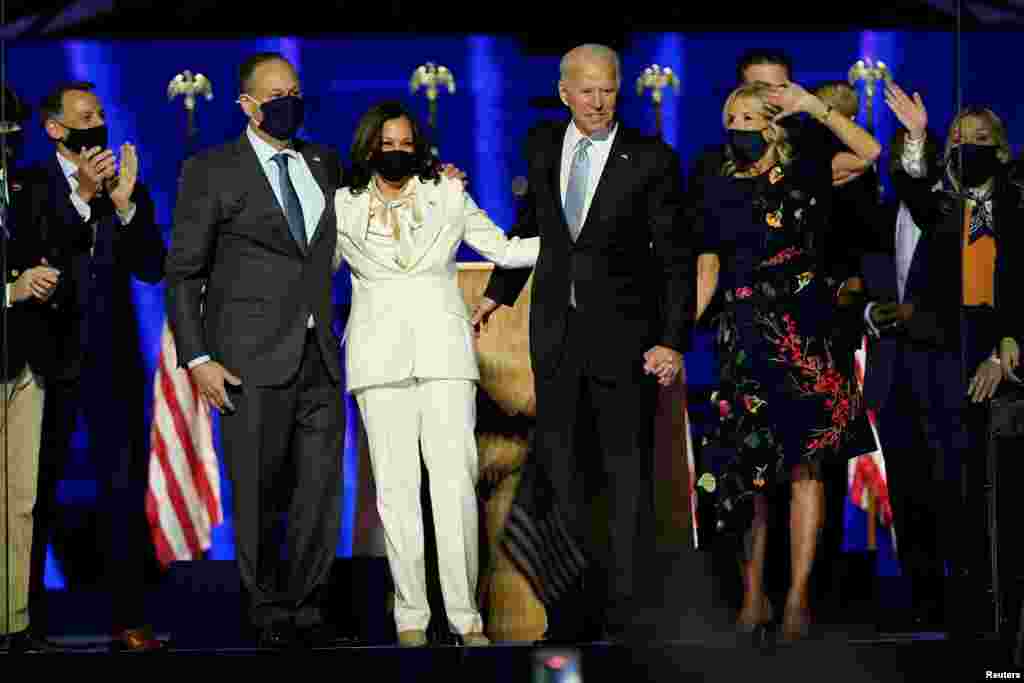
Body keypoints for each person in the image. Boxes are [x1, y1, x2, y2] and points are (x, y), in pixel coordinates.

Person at [472, 44, 693, 641]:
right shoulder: (544, 146)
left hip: (627, 347)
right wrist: (497, 293)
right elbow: (529, 226)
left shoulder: (652, 158)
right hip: (558, 342)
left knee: (622, 484)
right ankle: (569, 615)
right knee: (562, 480)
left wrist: (672, 341)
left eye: (608, 90)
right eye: (586, 90)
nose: (598, 102)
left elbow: (676, 260)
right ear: (564, 91)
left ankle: (625, 616)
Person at [334, 101, 538, 647]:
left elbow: (505, 249)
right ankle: (410, 619)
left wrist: (577, 244)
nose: (396, 151)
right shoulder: (342, 204)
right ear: (367, 146)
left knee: (453, 487)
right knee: (396, 495)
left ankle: (465, 617)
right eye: (386, 143)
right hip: (378, 363)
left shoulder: (447, 193)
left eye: (405, 143)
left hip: (445, 358)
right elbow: (307, 273)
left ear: (419, 147)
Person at [166, 53, 347, 649]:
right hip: (248, 360)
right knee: (260, 492)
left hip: (320, 354)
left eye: (294, 91)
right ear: (246, 104)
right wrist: (198, 360)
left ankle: (309, 607)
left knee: (318, 494)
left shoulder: (322, 162)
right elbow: (184, 274)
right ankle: (267, 610)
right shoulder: (211, 170)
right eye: (274, 94)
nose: (287, 102)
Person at [693, 82, 874, 642]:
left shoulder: (808, 172)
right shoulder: (716, 185)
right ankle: (753, 594)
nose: (739, 126)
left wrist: (814, 109)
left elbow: (869, 153)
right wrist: (674, 339)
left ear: (773, 125)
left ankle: (797, 597)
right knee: (748, 475)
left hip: (808, 338)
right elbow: (708, 266)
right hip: (744, 337)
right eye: (730, 117)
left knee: (805, 468)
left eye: (750, 116)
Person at [869, 84, 1024, 632]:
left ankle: (978, 598)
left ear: (1000, 149)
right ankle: (924, 596)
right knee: (914, 478)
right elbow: (910, 186)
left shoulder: (1013, 202)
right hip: (922, 356)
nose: (968, 148)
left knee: (966, 482)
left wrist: (1004, 351)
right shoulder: (942, 199)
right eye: (958, 139)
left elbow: (1015, 291)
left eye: (980, 140)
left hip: (982, 358)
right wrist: (916, 135)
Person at [24, 80, 167, 653]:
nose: (97, 123)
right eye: (84, 116)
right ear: (55, 129)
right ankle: (23, 621)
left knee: (122, 493)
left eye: (101, 114)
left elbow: (153, 267)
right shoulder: (29, 186)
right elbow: (40, 255)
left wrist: (126, 204)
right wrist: (83, 198)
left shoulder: (123, 187)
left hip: (112, 365)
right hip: (44, 362)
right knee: (34, 494)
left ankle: (130, 618)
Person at [0, 82, 61, 654]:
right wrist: (11, 290)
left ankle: (14, 624)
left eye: (12, 129)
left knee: (21, 500)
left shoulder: (27, 186)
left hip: (26, 359)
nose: (8, 140)